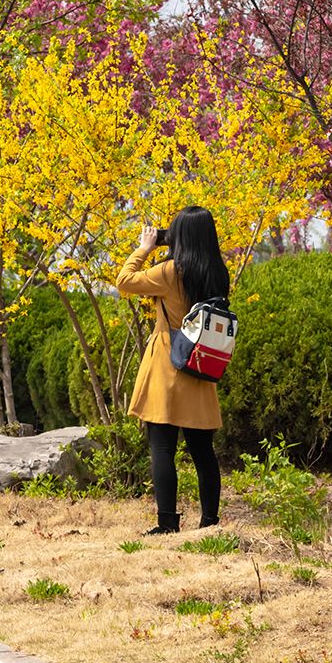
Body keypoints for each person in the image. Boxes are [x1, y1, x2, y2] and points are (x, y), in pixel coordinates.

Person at [117, 205, 225, 535]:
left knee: (162, 446)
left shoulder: (169, 272)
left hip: (167, 362)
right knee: (203, 451)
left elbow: (124, 281)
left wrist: (145, 247)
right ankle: (209, 523)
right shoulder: (219, 272)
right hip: (201, 363)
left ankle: (167, 524)